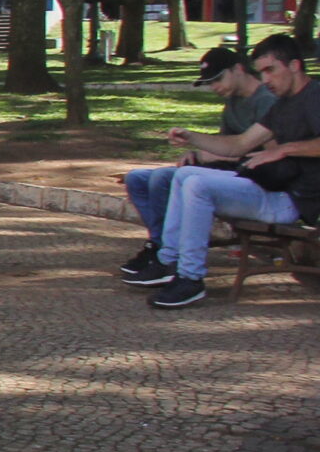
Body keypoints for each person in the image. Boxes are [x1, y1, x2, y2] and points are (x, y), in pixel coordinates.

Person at [124, 33, 320, 308]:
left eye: (270, 70)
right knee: (183, 176)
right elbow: (239, 144)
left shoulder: (314, 96)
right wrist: (191, 137)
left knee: (197, 185)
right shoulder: (282, 106)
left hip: (293, 200)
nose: (265, 80)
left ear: (295, 66)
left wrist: (284, 149)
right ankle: (169, 261)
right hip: (268, 187)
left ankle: (190, 279)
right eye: (261, 71)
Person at [118, 45, 276, 280]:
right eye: (210, 83)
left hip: (250, 174)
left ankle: (168, 257)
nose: (214, 87)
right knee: (137, 179)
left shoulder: (266, 100)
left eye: (217, 79)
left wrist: (203, 156)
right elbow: (225, 142)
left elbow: (251, 150)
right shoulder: (233, 101)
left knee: (163, 180)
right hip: (223, 167)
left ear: (239, 69)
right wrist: (197, 153)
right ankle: (159, 244)